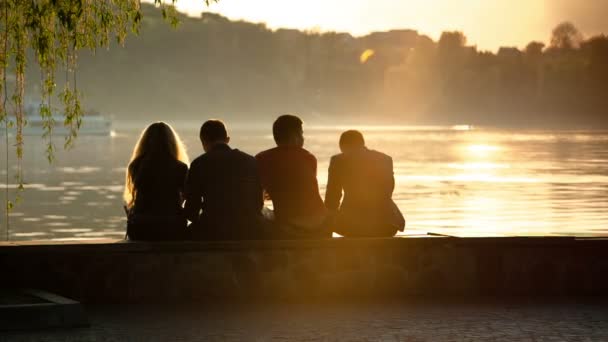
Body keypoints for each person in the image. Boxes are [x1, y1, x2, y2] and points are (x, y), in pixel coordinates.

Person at [184, 120, 265, 240]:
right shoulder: (250, 161)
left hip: (211, 229)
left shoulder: (199, 164)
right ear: (227, 139)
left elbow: (191, 212)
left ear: (203, 142)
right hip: (248, 228)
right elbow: (258, 203)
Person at [255, 114, 329, 238]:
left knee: (262, 214)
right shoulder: (309, 158)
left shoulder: (262, 158)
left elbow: (259, 195)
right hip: (320, 222)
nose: (303, 138)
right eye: (301, 134)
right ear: (294, 136)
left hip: (289, 224)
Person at [325, 130, 405, 237]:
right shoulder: (385, 159)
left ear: (343, 146)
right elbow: (388, 191)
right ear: (362, 143)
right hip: (388, 225)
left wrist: (326, 225)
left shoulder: (338, 160)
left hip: (354, 226)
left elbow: (332, 198)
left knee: (325, 218)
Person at [123, 122, 190, 241]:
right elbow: (185, 197)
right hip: (171, 228)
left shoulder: (135, 166)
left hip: (141, 229)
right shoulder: (181, 168)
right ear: (172, 143)